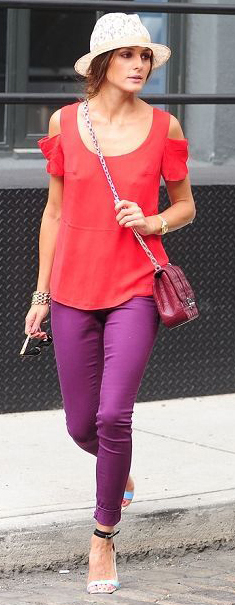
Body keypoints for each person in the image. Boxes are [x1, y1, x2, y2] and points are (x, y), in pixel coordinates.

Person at [24, 11, 196, 595]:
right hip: (71, 288)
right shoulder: (65, 123)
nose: (139, 65)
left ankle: (102, 536)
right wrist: (40, 295)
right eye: (127, 55)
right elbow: (52, 212)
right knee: (80, 425)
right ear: (100, 65)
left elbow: (185, 206)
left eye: (145, 56)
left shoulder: (166, 127)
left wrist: (153, 221)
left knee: (113, 415)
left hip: (134, 290)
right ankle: (115, 469)